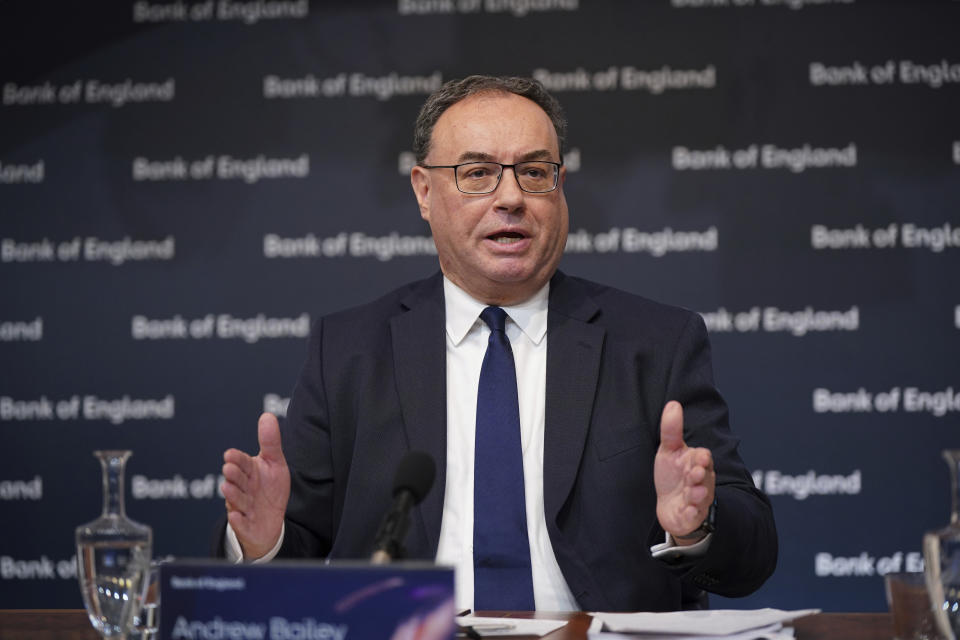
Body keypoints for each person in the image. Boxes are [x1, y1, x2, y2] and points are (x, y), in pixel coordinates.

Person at [218, 75, 777, 612]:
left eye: (535, 172)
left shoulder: (656, 344)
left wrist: (695, 526)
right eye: (478, 172)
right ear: (423, 191)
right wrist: (263, 543)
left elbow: (752, 556)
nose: (511, 197)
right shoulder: (348, 351)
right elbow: (289, 560)